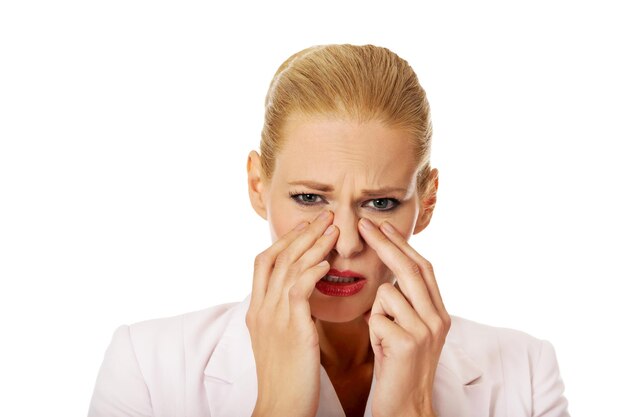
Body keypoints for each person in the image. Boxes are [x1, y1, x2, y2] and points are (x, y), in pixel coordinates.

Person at [88, 44, 570, 417]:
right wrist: (277, 404)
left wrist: (411, 409)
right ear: (258, 186)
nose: (345, 241)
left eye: (380, 203)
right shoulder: (145, 366)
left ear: (426, 202)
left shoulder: (525, 372)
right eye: (309, 198)